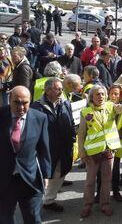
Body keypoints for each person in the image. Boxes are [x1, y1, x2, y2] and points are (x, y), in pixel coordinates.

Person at [77, 85, 122, 218]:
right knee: (90, 181)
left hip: (108, 151)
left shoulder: (110, 106)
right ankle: (87, 205)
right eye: (97, 94)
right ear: (92, 97)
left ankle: (105, 204)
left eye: (102, 94)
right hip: (93, 153)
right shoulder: (86, 112)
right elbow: (82, 134)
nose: (100, 96)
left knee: (106, 180)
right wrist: (82, 153)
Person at [0, 86, 51, 223]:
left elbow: (43, 148)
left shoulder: (40, 118)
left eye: (25, 103)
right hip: (4, 179)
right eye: (17, 102)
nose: (21, 107)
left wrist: (46, 174)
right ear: (9, 100)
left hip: (29, 179)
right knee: (5, 218)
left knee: (33, 217)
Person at [31, 78, 75, 212]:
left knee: (60, 173)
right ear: (48, 90)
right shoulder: (36, 107)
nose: (61, 91)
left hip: (64, 147)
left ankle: (49, 200)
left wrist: (72, 137)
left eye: (62, 89)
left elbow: (71, 122)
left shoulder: (65, 104)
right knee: (42, 177)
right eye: (58, 89)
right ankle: (35, 205)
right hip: (46, 149)